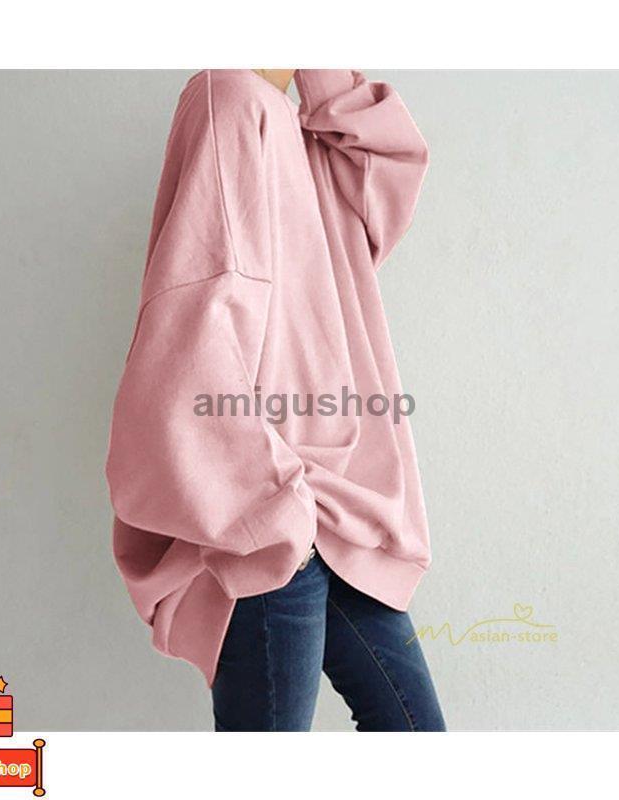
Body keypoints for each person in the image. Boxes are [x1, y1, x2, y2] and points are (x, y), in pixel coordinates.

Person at [105, 69, 446, 731]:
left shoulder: (313, 136)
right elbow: (193, 328)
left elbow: (389, 178)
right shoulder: (229, 100)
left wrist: (320, 79)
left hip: (340, 512)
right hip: (269, 519)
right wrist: (268, 507)